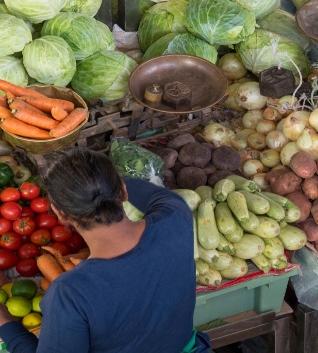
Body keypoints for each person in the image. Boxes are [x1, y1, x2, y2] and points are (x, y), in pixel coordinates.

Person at [0, 147, 211, 353]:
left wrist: (5, 322)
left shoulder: (70, 293)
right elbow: (147, 193)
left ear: (60, 214)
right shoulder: (175, 214)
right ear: (122, 190)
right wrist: (98, 183)